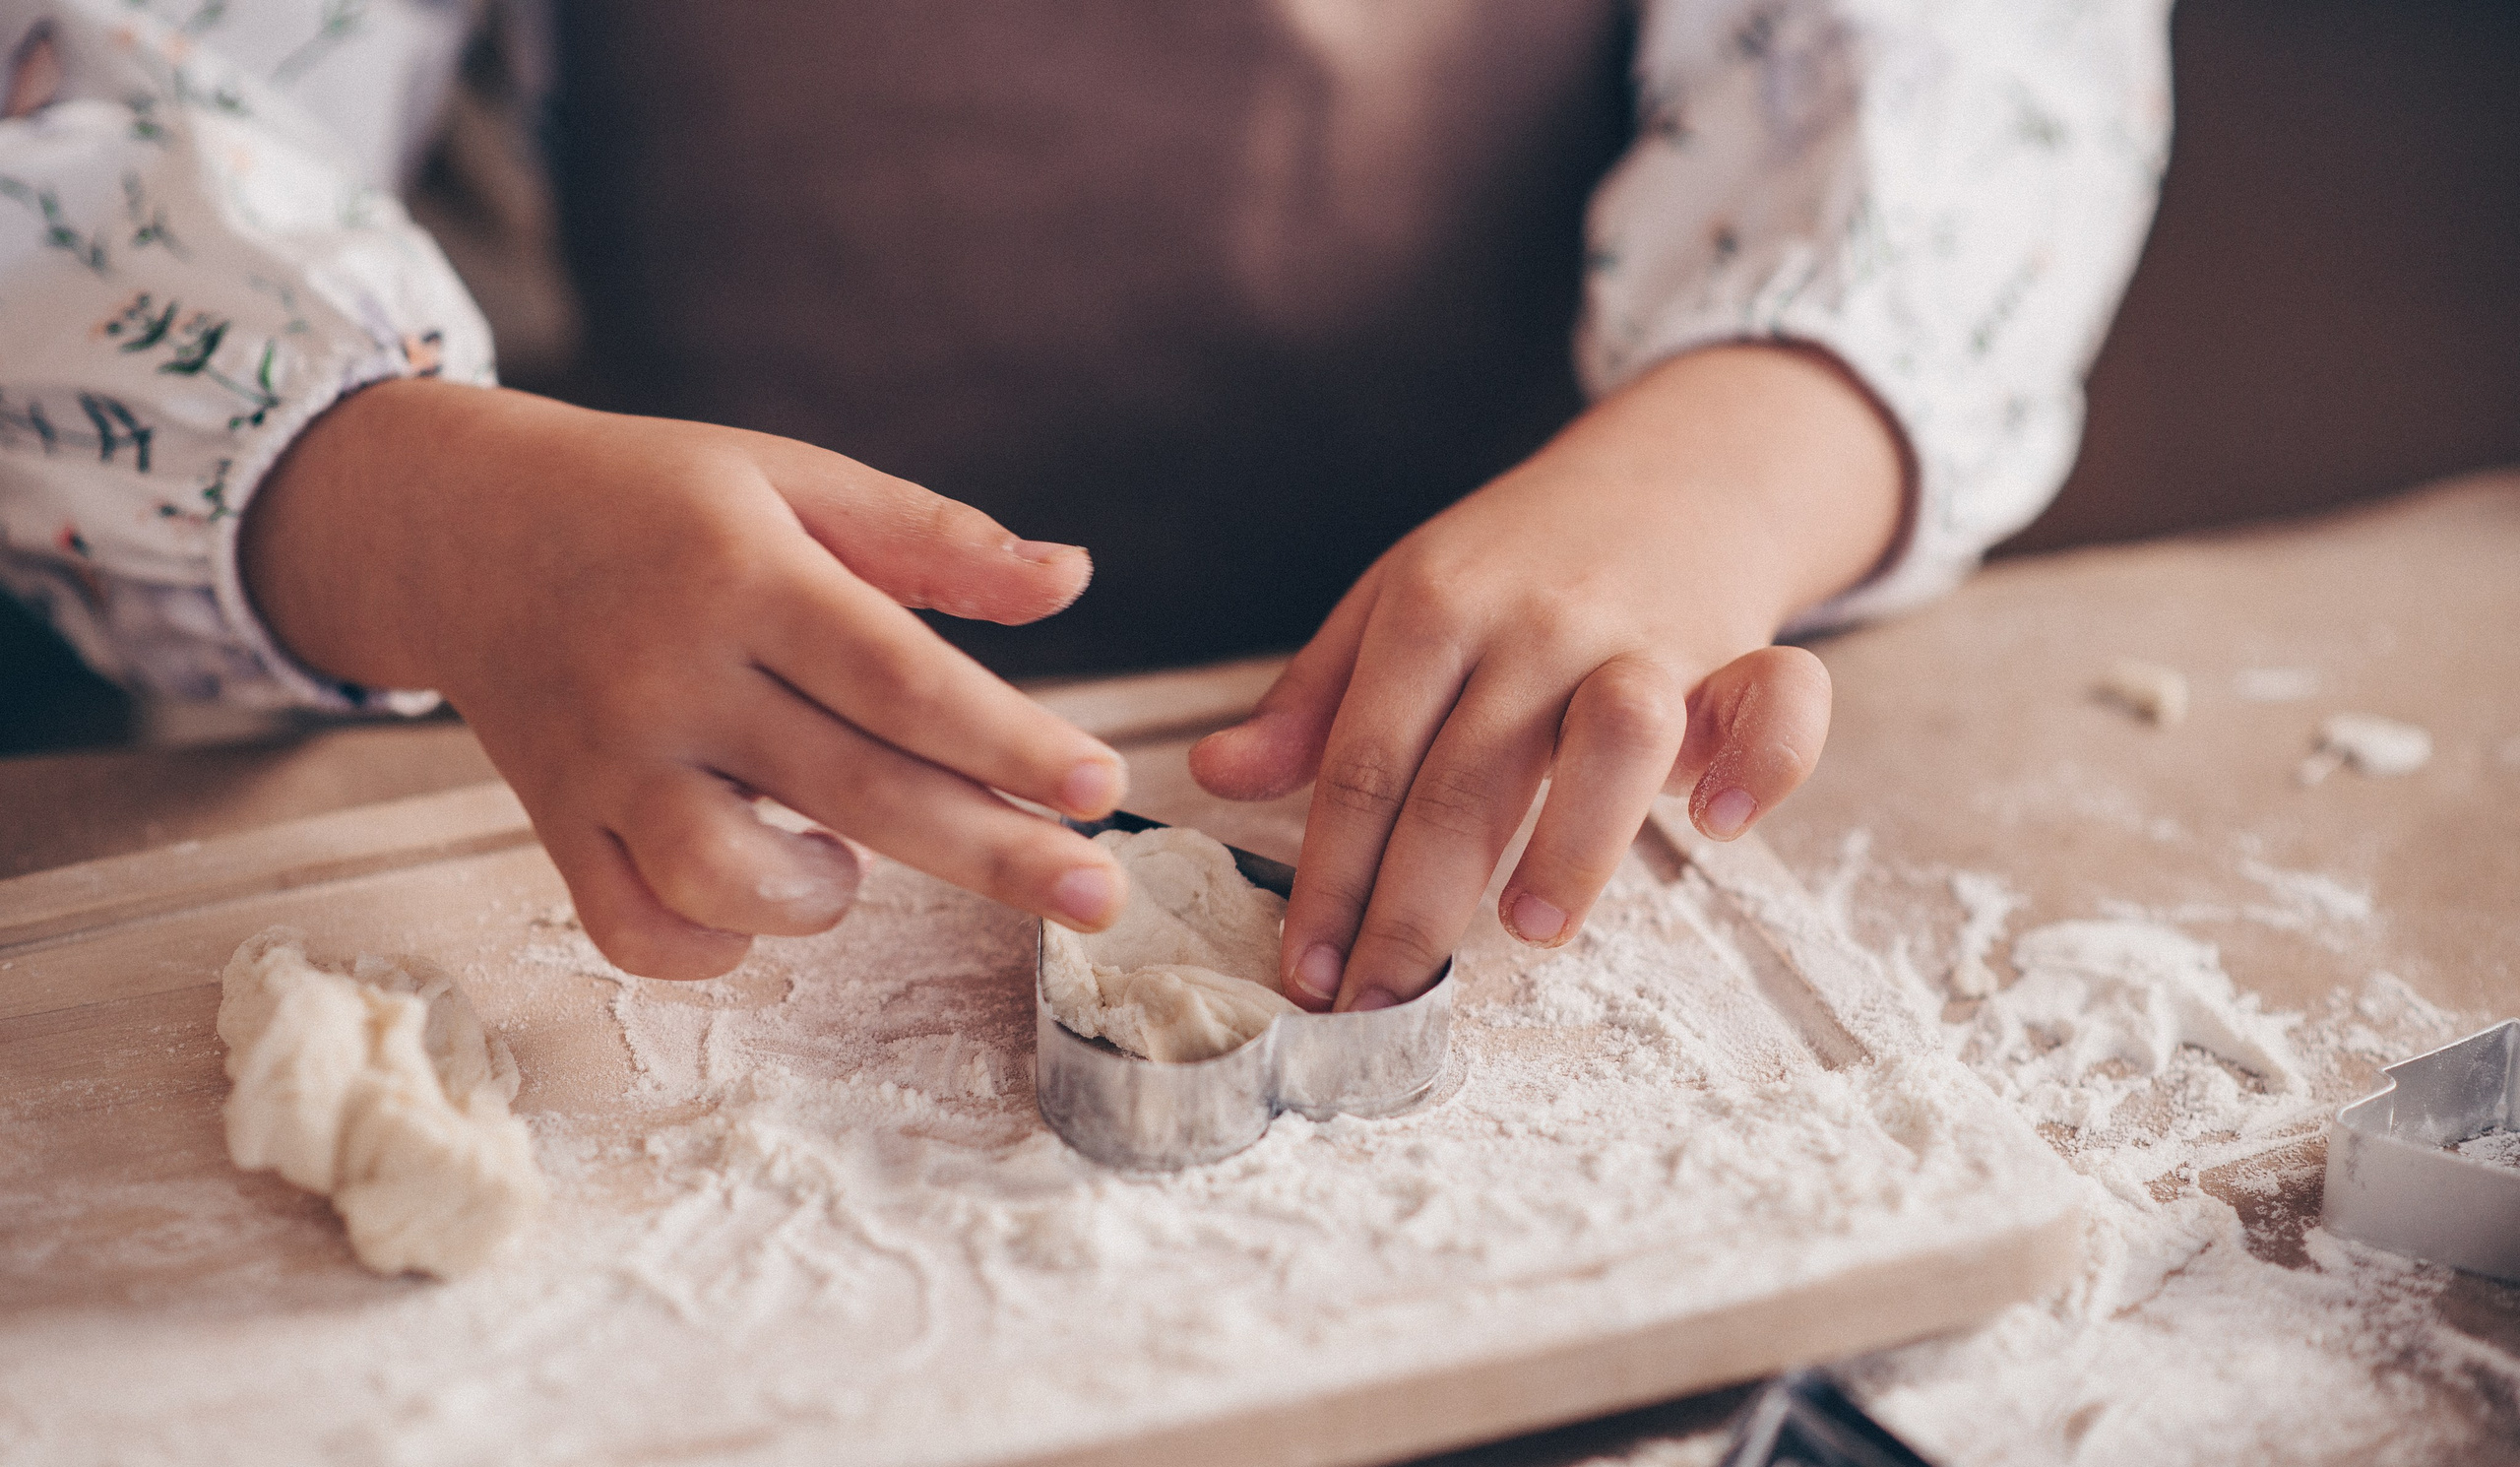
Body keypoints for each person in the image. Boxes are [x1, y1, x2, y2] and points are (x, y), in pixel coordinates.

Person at [0, 1, 2170, 1008]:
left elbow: (1985, 68)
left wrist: (1729, 467)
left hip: (1537, 734)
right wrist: (437, 522)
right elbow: (77, 129)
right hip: (646, 716)